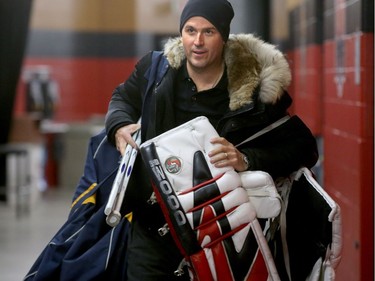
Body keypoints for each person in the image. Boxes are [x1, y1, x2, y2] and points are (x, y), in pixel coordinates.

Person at [104, 0, 318, 280]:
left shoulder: (253, 93)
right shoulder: (156, 72)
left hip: (220, 235)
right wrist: (118, 125)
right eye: (190, 30)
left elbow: (303, 147)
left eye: (209, 32)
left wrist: (246, 159)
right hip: (152, 228)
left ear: (224, 37)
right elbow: (122, 98)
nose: (198, 41)